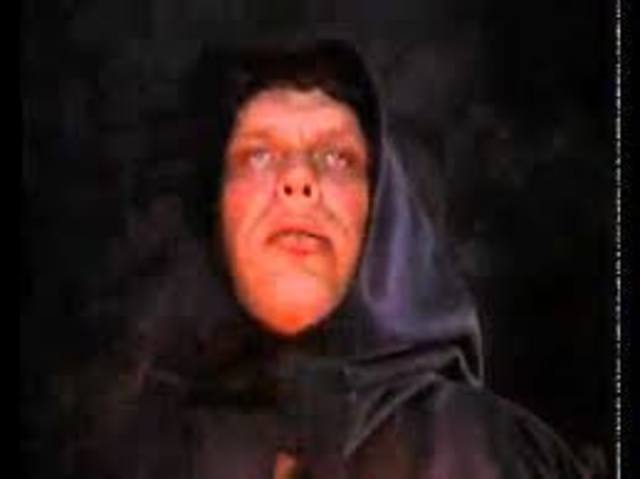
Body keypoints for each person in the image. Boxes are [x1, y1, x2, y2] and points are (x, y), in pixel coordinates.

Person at [62, 38, 588, 478]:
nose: (298, 179)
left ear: (380, 214)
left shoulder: (497, 453)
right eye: (258, 155)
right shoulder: (133, 452)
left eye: (337, 158)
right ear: (215, 213)